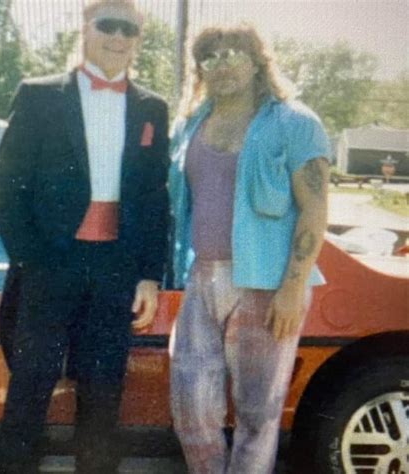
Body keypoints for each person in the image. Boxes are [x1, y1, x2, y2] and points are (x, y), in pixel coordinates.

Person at [0, 0, 170, 472]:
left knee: (102, 396)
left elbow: (154, 197)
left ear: (138, 38)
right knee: (29, 389)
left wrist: (150, 275)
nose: (118, 37)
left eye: (128, 29)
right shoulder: (39, 95)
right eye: (108, 25)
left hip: (115, 270)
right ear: (86, 28)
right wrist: (31, 261)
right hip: (51, 265)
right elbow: (7, 187)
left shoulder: (152, 107)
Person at [168, 25, 329, 473]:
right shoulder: (188, 126)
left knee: (258, 413)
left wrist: (292, 288)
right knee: (191, 408)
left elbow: (315, 210)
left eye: (232, 52)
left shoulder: (295, 122)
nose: (221, 63)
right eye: (209, 57)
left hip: (267, 282)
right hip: (202, 278)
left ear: (258, 60)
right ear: (198, 69)